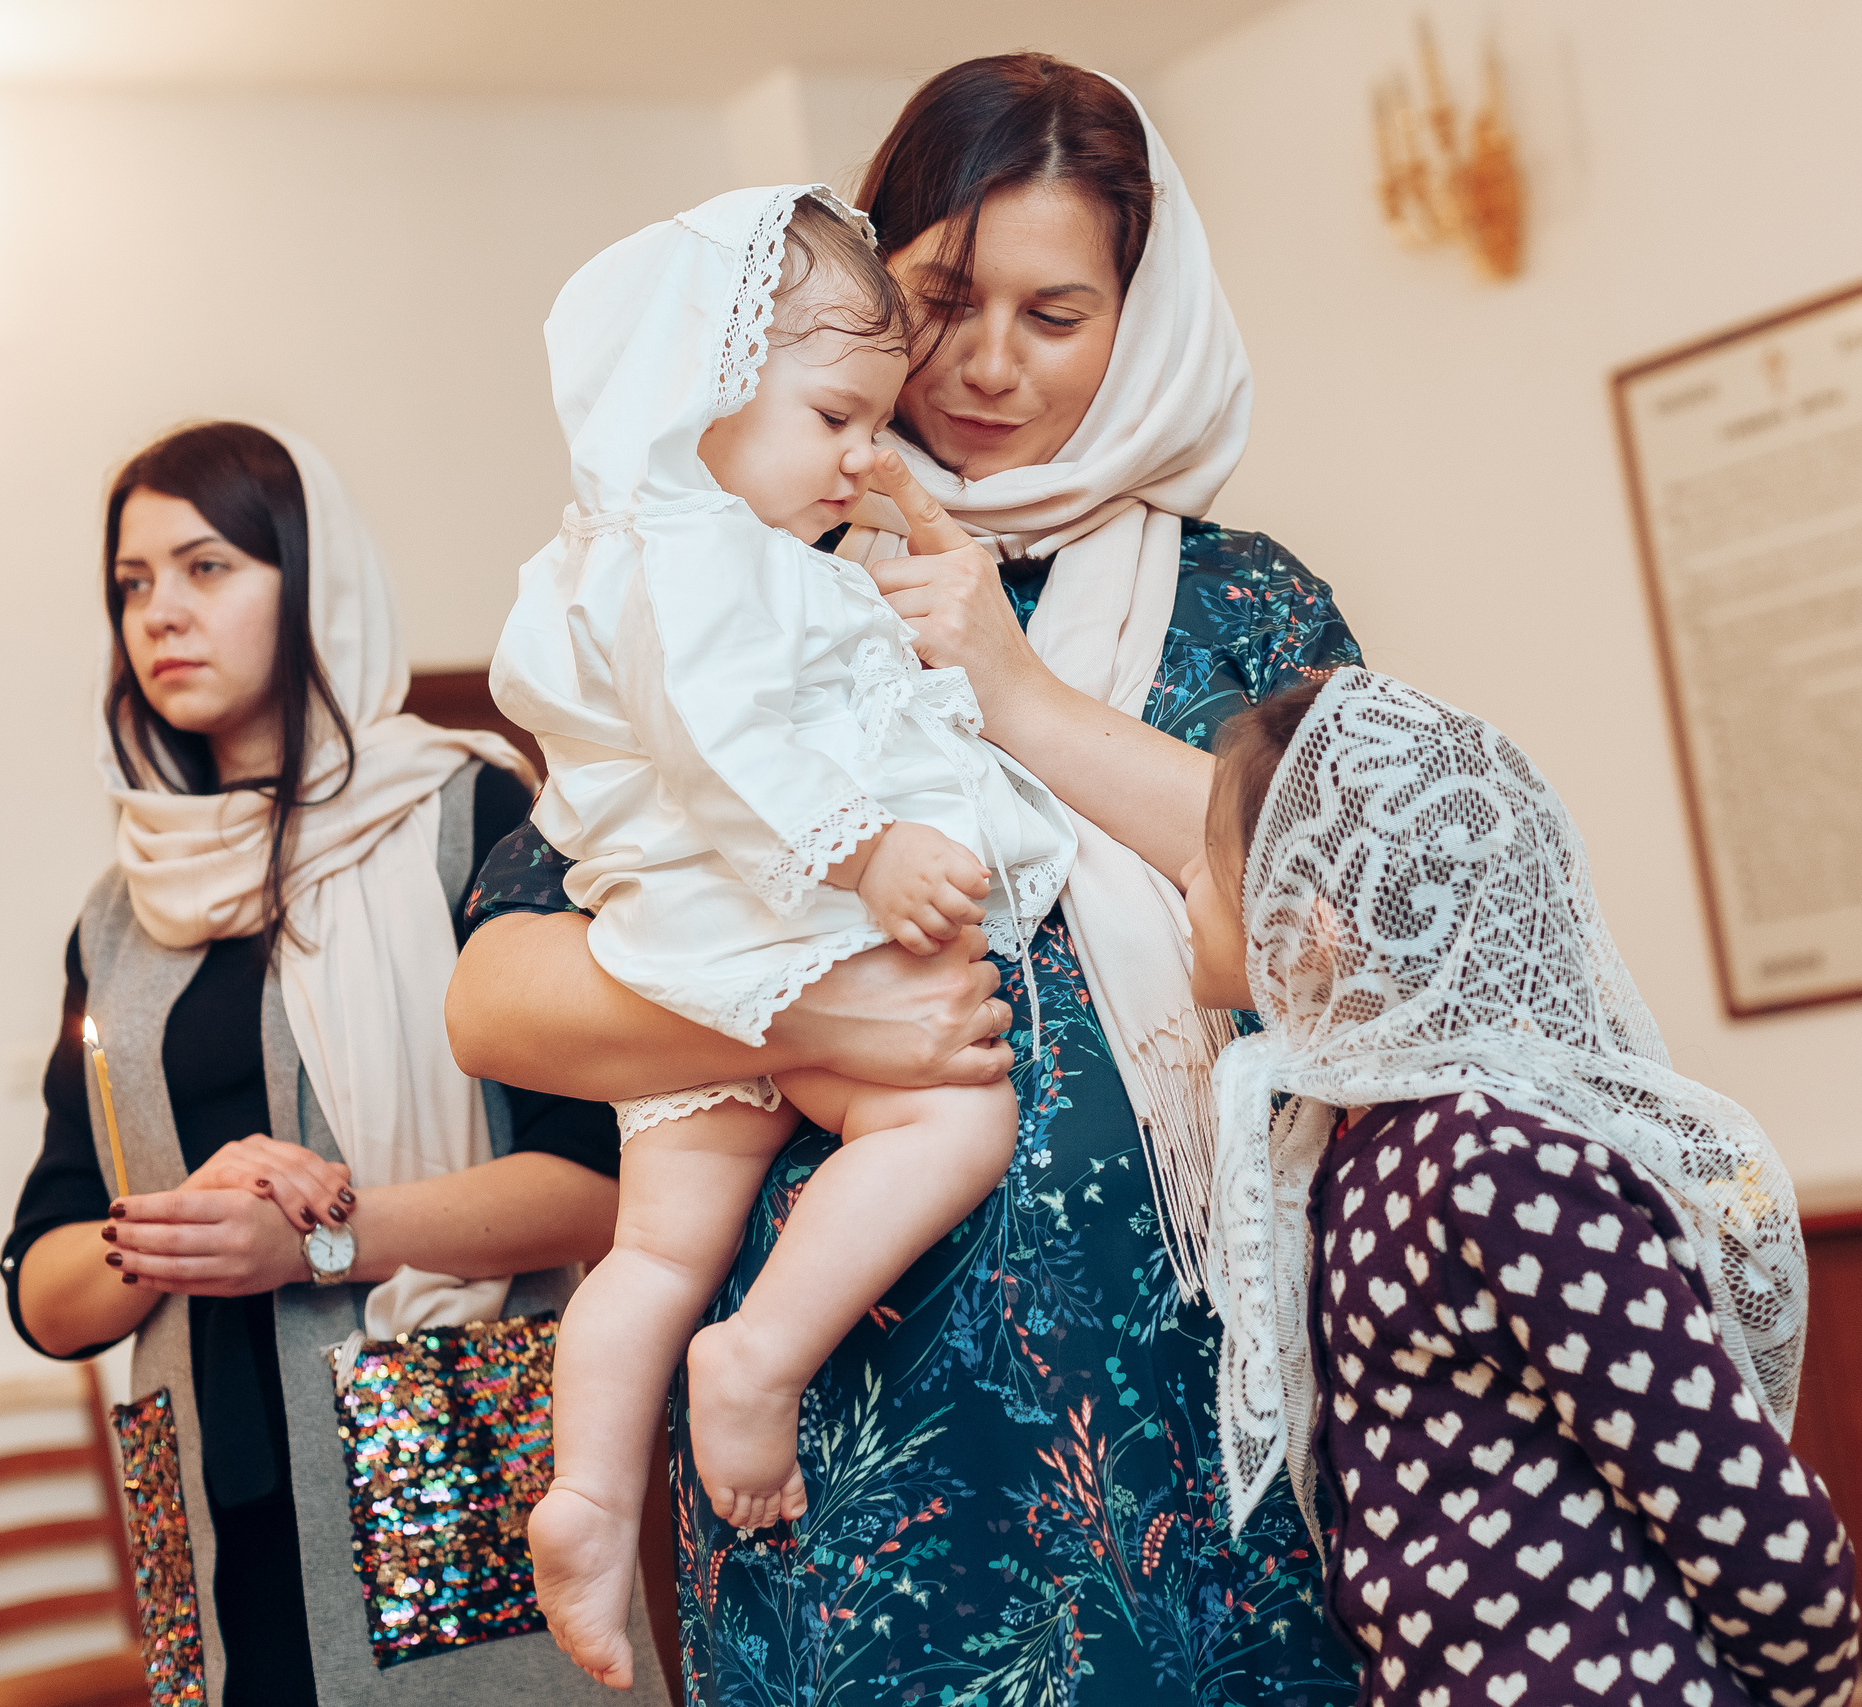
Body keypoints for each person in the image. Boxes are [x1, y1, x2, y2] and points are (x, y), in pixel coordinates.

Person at [450, 55, 1367, 1704]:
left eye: (1058, 312)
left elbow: (1353, 935)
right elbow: (499, 993)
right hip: (847, 1468)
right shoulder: (730, 563)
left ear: (1139, 320)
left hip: (1197, 1442)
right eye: (943, 298)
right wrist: (820, 1017)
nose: (988, 365)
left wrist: (1019, 698)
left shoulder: (1248, 614)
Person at [497, 185, 1081, 1687]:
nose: (862, 455)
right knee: (950, 1111)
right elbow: (730, 741)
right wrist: (870, 847)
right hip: (775, 925)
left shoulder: (640, 549)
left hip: (682, 947)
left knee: (655, 1246)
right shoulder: (702, 554)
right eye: (834, 415)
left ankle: (588, 1493)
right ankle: (760, 1355)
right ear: (698, 393)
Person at [0, 421, 671, 1707]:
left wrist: (315, 1243)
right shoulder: (117, 913)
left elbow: (606, 1182)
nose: (160, 615)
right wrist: (177, 1228)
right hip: (205, 1494)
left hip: (440, 1445)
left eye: (206, 568)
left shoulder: (471, 824)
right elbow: (45, 1283)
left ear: (312, 580)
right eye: (132, 586)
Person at [1185, 668, 1862, 1707]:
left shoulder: (1492, 1158)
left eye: (1210, 862)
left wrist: (1801, 1686)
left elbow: (1742, 1510)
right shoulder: (1352, 1146)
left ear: (1312, 928)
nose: (1180, 882)